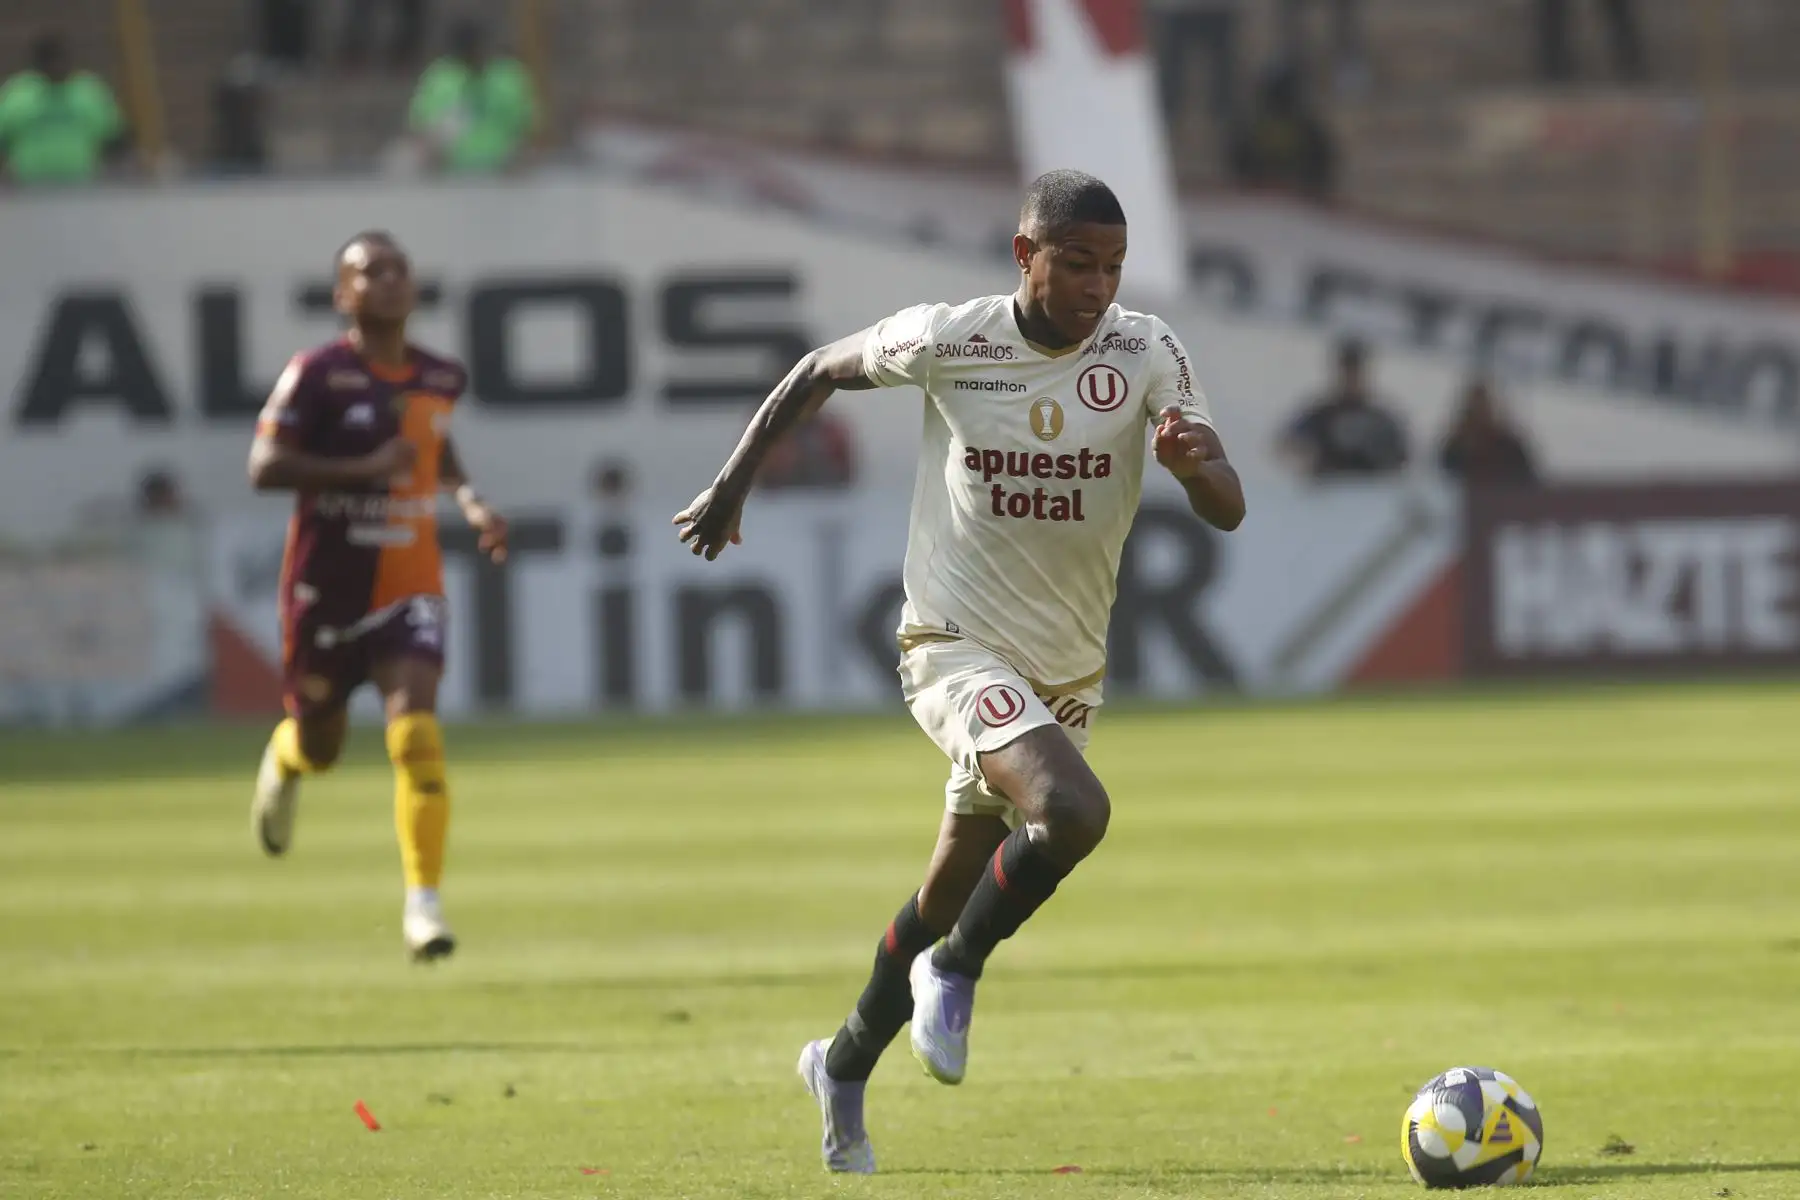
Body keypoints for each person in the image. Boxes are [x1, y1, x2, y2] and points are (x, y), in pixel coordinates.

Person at [673, 170, 1246, 1174]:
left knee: (945, 886)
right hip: (952, 647)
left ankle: (842, 1062)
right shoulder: (952, 338)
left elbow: (1227, 506)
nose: (1096, 287)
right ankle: (960, 967)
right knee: (1072, 814)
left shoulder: (1146, 349)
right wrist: (731, 485)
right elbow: (817, 368)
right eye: (1075, 264)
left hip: (1065, 671)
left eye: (1110, 267)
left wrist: (1198, 465)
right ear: (1025, 255)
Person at [246, 231, 509, 962]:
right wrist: (364, 467)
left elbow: (437, 448)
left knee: (415, 734)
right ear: (343, 294)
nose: (388, 280)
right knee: (322, 745)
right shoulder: (316, 374)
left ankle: (423, 906)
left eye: (398, 269)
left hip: (407, 582)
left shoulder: (439, 376)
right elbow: (263, 466)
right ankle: (287, 757)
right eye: (370, 271)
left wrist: (471, 499)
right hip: (326, 589)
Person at [406, 20, 536, 175]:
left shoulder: (509, 77)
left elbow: (528, 128)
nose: (475, 55)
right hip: (450, 173)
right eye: (470, 51)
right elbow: (420, 128)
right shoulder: (440, 79)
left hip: (502, 171)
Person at [0, 33, 126, 185]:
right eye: (51, 62)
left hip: (83, 183)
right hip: (29, 185)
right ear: (39, 64)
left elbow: (114, 138)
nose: (57, 67)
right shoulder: (18, 94)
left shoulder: (89, 92)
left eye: (60, 61)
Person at [1278, 337, 1408, 478]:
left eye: (1355, 373)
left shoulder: (1381, 421)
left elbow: (1403, 462)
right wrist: (1305, 454)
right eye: (1346, 372)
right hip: (1327, 493)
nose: (1351, 380)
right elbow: (1286, 446)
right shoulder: (1320, 415)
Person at [1226, 62, 1337, 199]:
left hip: (1297, 202)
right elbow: (1240, 166)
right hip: (1259, 201)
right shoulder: (1252, 130)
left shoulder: (1309, 131)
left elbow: (1321, 169)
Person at [1438, 377, 1538, 487]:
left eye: (1485, 405)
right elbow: (1446, 484)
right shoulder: (1456, 448)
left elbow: (1528, 486)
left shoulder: (1510, 448)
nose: (1481, 412)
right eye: (1476, 406)